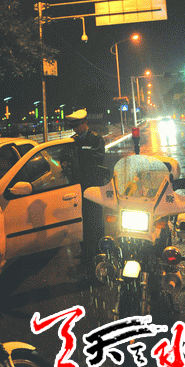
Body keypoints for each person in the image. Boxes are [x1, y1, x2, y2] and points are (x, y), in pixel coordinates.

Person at [65, 109, 108, 267]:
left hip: (93, 186)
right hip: (79, 186)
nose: (75, 129)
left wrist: (79, 158)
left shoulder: (95, 139)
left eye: (78, 126)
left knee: (95, 219)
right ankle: (85, 252)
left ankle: (99, 251)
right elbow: (66, 158)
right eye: (73, 127)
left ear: (85, 123)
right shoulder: (72, 141)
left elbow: (97, 158)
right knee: (82, 220)